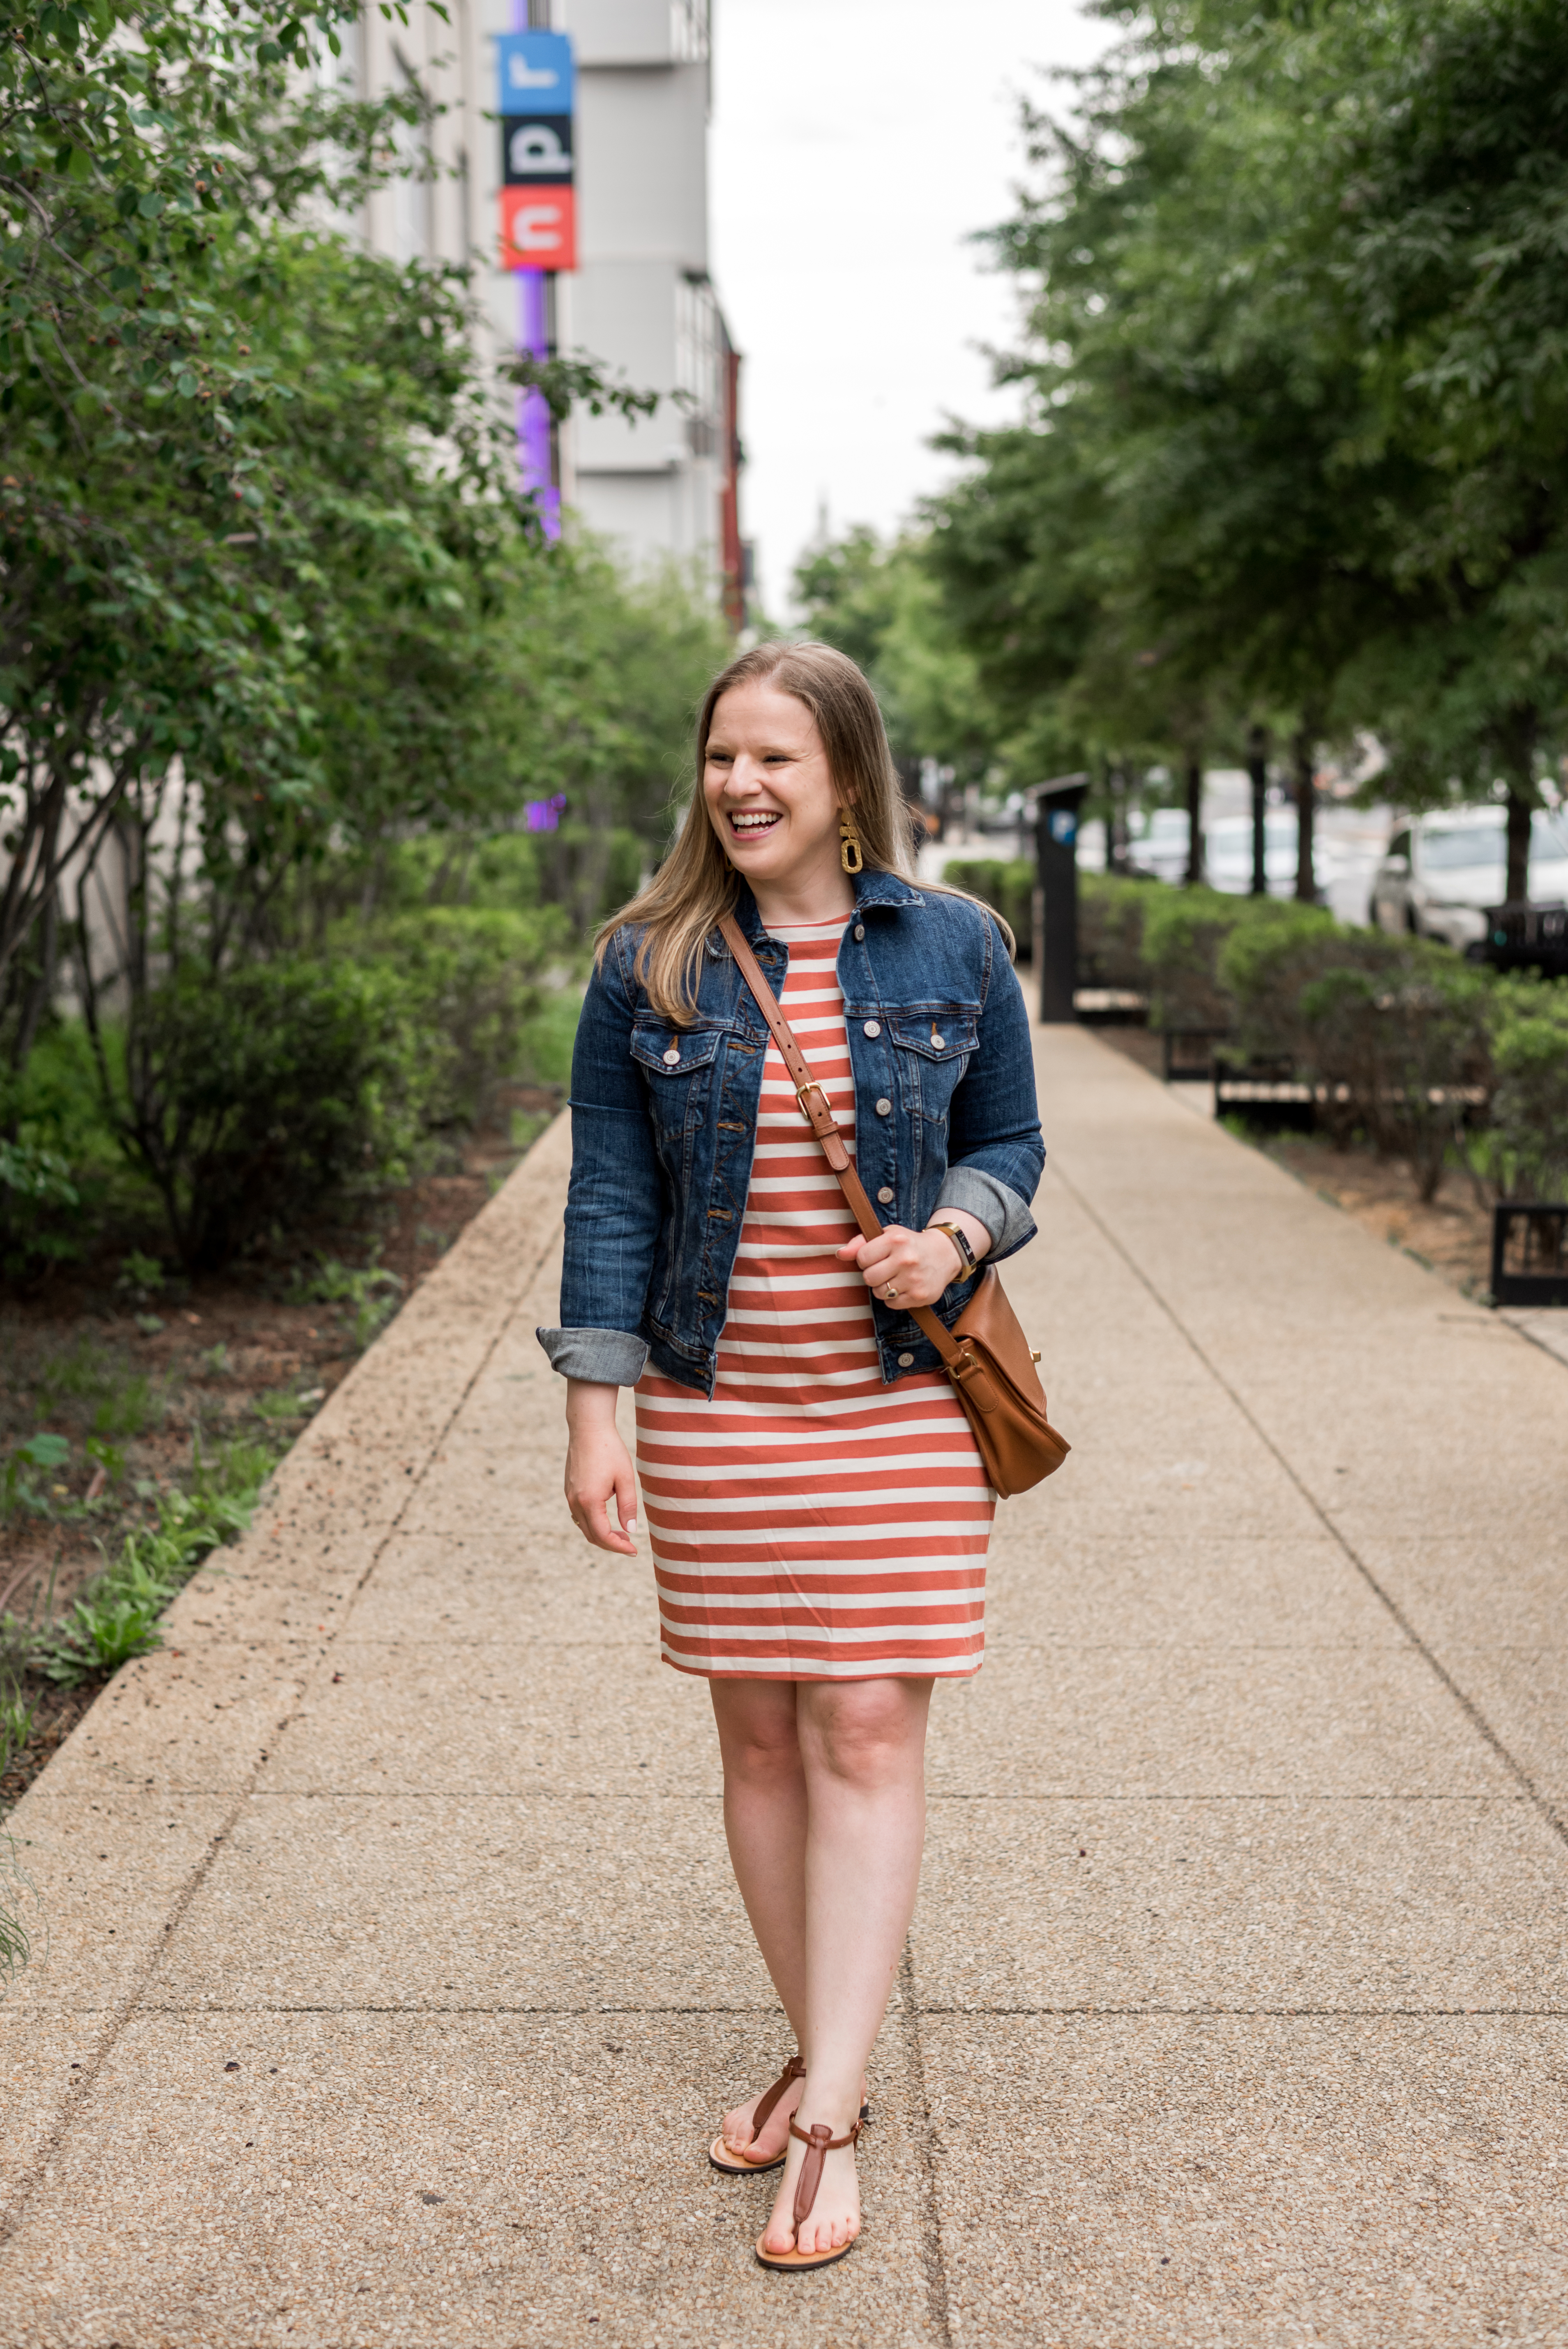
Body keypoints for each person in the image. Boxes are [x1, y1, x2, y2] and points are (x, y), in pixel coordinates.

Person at [537, 641, 1044, 2271]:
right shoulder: (650, 965)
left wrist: (956, 1231)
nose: (740, 785)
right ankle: (827, 2040)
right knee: (758, 1745)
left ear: (846, 779)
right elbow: (613, 1198)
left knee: (871, 1738)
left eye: (774, 760)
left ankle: (826, 2118)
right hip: (714, 1409)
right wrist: (595, 1408)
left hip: (896, 1408)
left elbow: (1011, 1138)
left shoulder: (956, 942)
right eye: (718, 758)